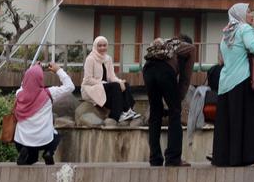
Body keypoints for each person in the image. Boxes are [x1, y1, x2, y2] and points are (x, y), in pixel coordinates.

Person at [211, 3, 254, 167]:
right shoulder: (245, 29)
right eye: (249, 12)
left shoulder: (226, 33)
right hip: (242, 80)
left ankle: (226, 158)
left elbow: (221, 59)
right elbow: (253, 47)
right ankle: (253, 156)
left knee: (227, 122)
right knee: (250, 119)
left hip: (225, 83)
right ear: (241, 15)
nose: (251, 15)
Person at [141, 34, 196, 166]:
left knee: (155, 114)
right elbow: (185, 79)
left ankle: (155, 158)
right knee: (175, 114)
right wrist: (178, 100)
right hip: (165, 72)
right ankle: (173, 158)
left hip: (148, 70)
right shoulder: (188, 49)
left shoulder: (164, 44)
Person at [12, 63, 74, 165]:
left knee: (31, 160)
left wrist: (33, 68)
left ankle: (25, 152)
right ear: (40, 79)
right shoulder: (49, 93)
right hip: (44, 140)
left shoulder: (19, 93)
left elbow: (24, 83)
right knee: (57, 136)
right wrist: (58, 70)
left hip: (22, 140)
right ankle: (49, 152)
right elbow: (70, 87)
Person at [81, 36, 140, 122]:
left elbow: (111, 77)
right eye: (99, 45)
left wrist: (120, 81)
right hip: (90, 88)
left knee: (124, 84)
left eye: (104, 45)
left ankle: (128, 110)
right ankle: (116, 115)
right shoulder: (90, 59)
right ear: (95, 46)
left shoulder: (108, 59)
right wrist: (104, 83)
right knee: (116, 86)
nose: (102, 48)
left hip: (105, 86)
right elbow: (88, 79)